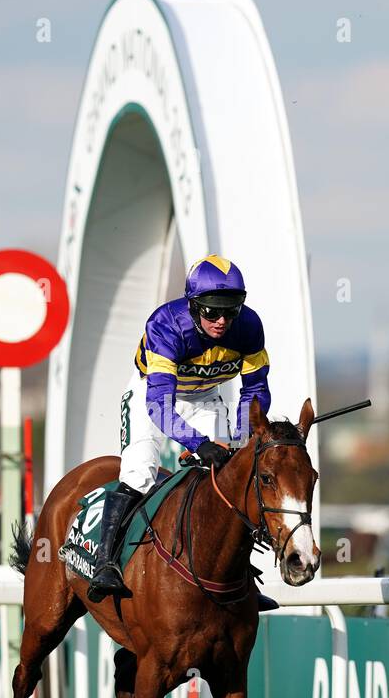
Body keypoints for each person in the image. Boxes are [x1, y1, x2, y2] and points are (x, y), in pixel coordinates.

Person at [87, 254, 270, 602]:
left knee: (228, 480)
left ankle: (243, 575)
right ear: (193, 305)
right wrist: (197, 443)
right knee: (140, 471)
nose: (221, 321)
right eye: (211, 311)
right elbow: (159, 404)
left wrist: (245, 436)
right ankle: (105, 563)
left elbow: (255, 391)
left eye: (230, 311)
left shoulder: (249, 326)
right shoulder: (167, 324)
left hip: (204, 397)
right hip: (153, 396)